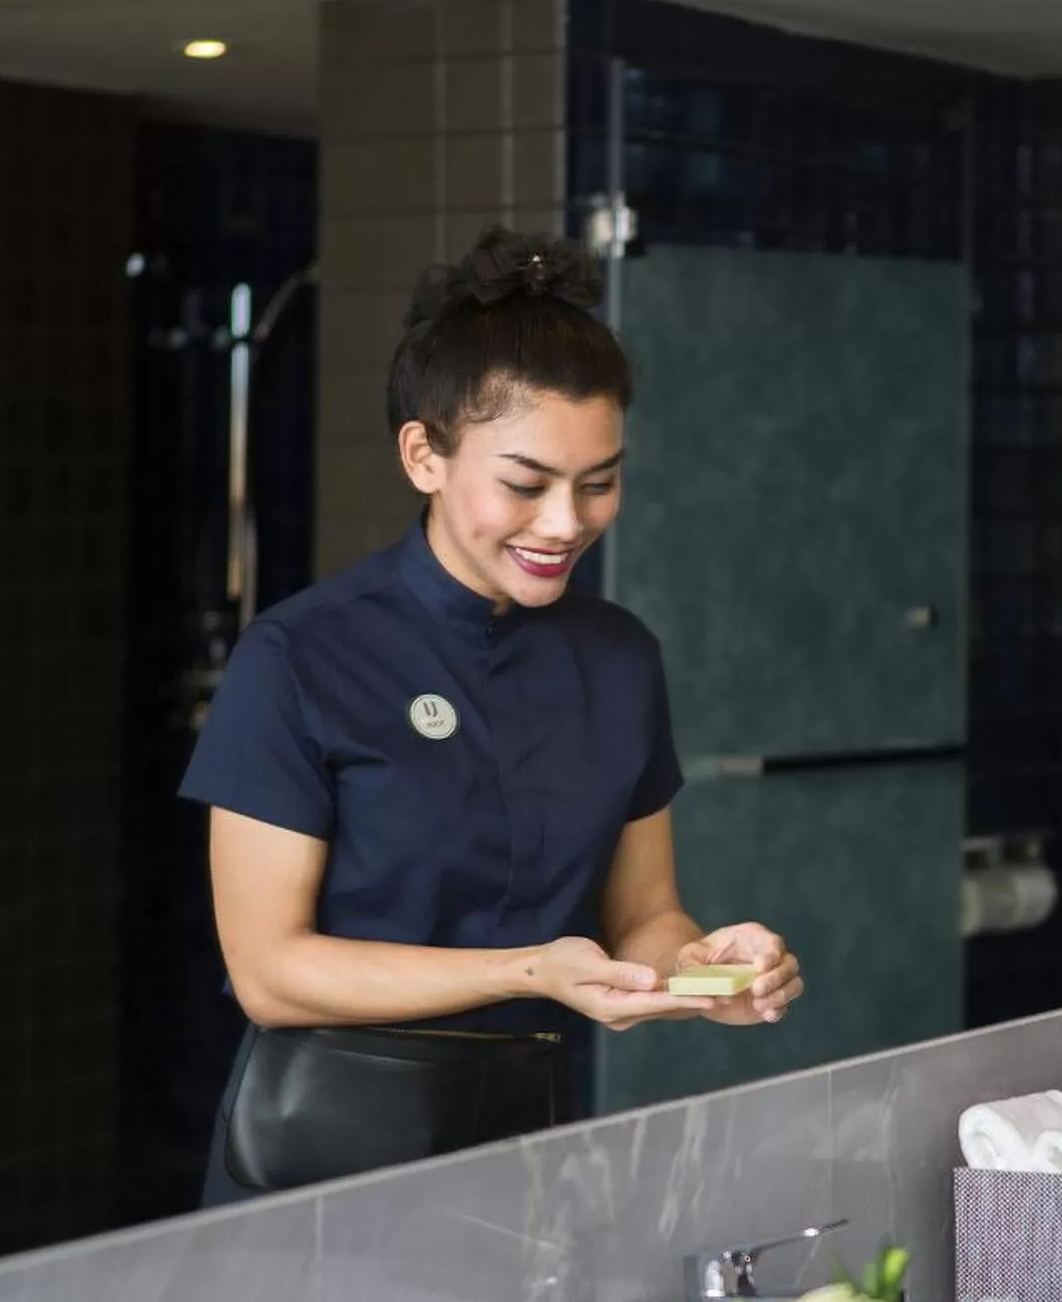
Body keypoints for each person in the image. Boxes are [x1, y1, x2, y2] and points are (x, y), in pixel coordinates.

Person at [182, 226, 804, 1205]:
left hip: (523, 1149)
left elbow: (642, 917)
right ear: (423, 455)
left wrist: (701, 972)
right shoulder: (300, 657)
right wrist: (529, 971)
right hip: (315, 1155)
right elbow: (270, 971)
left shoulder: (619, 657)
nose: (566, 522)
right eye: (525, 483)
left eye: (598, 482)